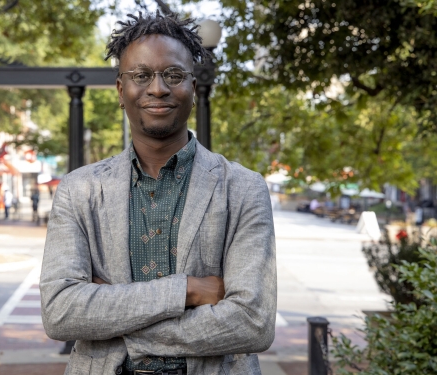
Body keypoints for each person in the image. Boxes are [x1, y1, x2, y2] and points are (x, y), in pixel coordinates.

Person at [40, 11, 276, 375]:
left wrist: (115, 322)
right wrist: (188, 292)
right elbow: (61, 313)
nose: (158, 88)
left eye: (174, 74)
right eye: (141, 75)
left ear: (193, 90)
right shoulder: (79, 190)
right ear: (121, 91)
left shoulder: (242, 189)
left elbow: (252, 322)